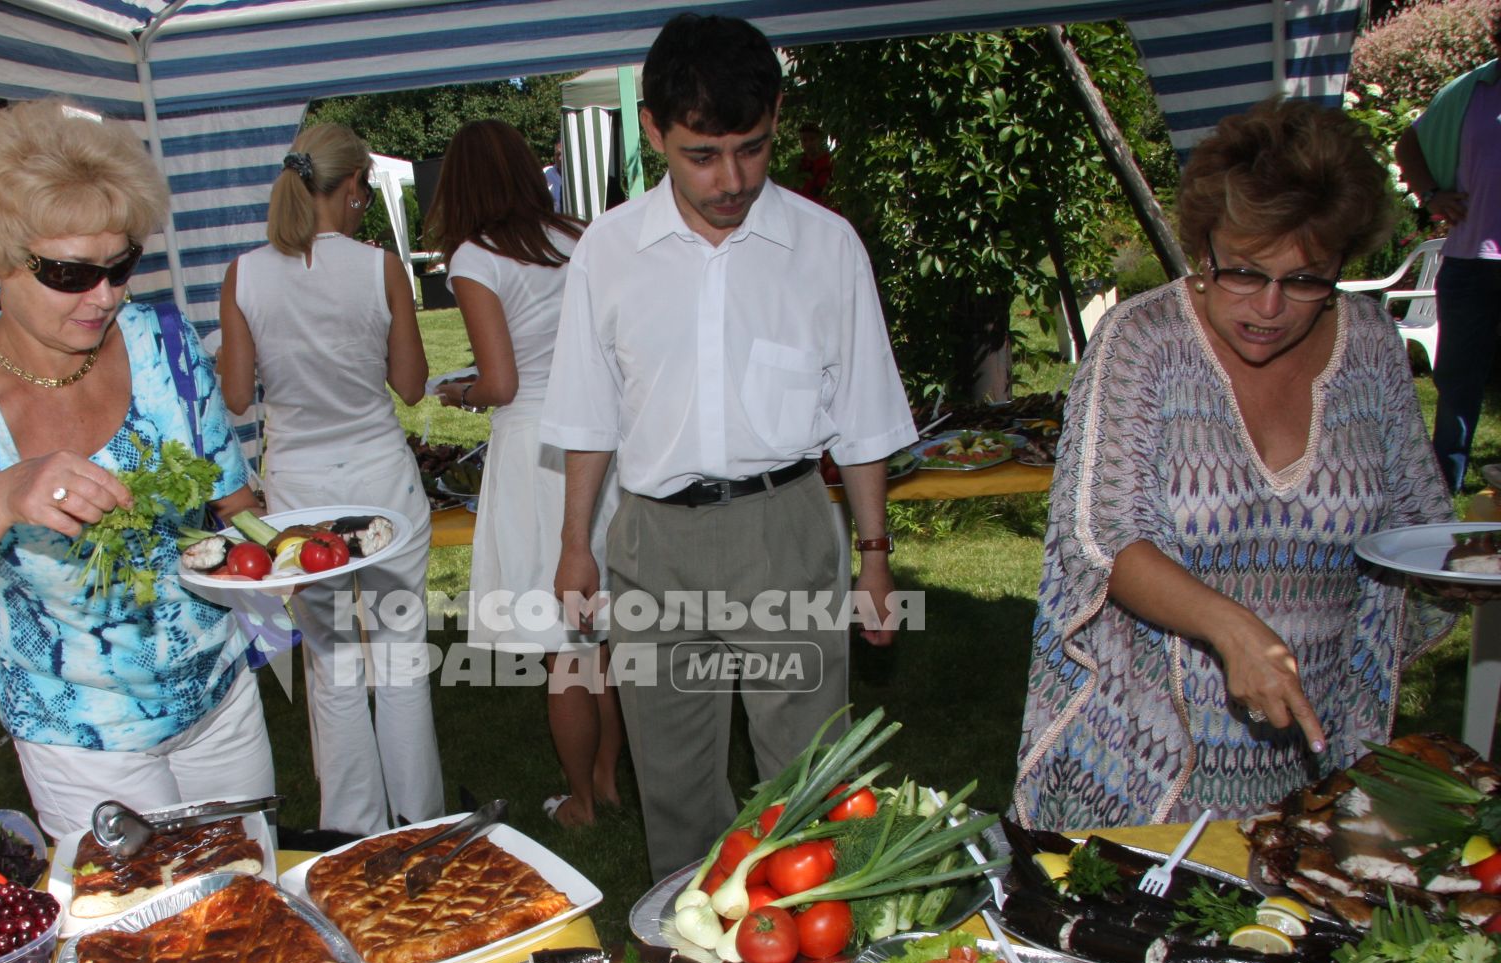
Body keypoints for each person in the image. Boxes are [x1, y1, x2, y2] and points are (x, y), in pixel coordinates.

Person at [1012, 98, 1457, 830]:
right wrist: (1233, 629)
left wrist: (1469, 565)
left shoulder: (1372, 347)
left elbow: (1417, 523)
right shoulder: (1144, 340)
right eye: (1244, 273)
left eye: (1308, 280)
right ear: (1204, 247)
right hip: (1144, 758)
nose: (1271, 307)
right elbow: (1100, 538)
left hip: (1318, 751)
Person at [0, 98, 276, 837]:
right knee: (142, 944)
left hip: (221, 697)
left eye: (121, 266)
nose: (104, 296)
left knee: (253, 910)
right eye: (70, 273)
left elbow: (232, 503)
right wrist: (0, 497)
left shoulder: (161, 344)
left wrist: (292, 561)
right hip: (83, 740)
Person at [541, 13, 915, 878]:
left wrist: (874, 556)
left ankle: (810, 953)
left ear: (778, 116)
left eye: (752, 149)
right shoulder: (609, 251)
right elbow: (588, 415)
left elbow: (861, 418)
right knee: (671, 773)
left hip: (782, 529)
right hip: (651, 540)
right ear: (653, 131)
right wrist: (573, 549)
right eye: (701, 156)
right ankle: (697, 950)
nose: (732, 179)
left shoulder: (826, 248)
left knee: (805, 767)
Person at [218, 122, 442, 836]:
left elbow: (233, 394)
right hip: (382, 478)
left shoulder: (244, 273)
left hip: (298, 489)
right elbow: (410, 385)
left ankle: (350, 828)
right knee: (401, 656)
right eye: (364, 194)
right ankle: (417, 820)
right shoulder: (379, 268)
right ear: (349, 189)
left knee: (332, 661)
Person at [425, 119, 624, 829]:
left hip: (536, 450)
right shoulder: (580, 236)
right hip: (602, 436)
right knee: (594, 632)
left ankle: (580, 801)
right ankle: (606, 779)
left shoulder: (476, 257)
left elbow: (503, 382)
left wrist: (462, 391)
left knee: (559, 646)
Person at [1394, 12, 1501, 493]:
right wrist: (1431, 193)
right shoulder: (1471, 90)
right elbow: (1408, 143)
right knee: (1458, 382)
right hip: (1470, 260)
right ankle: (1443, 487)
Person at [544, 139, 565, 213]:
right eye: (558, 154)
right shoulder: (546, 174)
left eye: (563, 154)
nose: (560, 158)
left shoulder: (577, 176)